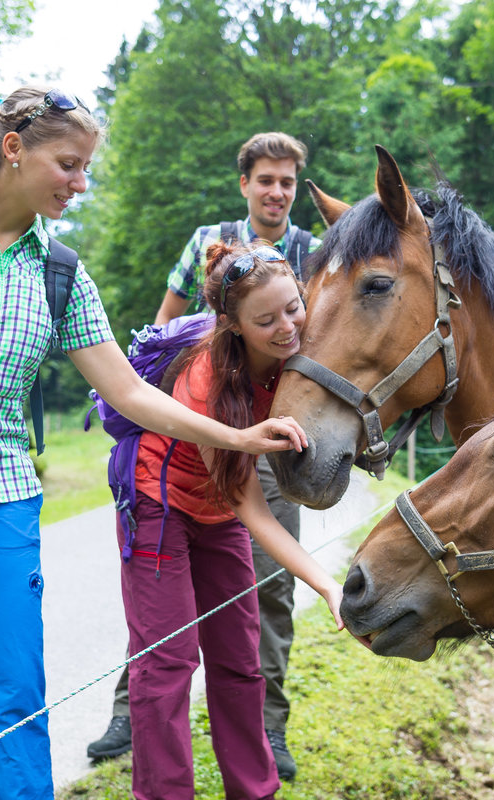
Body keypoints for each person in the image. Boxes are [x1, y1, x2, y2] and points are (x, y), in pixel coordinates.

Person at [0, 87, 307, 800]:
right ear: (13, 150)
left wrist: (236, 435)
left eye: (86, 169)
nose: (81, 183)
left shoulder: (61, 272)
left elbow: (132, 394)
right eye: (69, 165)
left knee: (14, 695)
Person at [88, 132, 320, 780]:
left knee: (253, 615)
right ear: (244, 182)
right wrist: (235, 433)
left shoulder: (311, 253)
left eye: (288, 182)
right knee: (166, 643)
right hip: (185, 457)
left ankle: (263, 747)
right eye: (266, 179)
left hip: (266, 432)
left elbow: (327, 345)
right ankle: (132, 720)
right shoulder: (207, 256)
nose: (277, 191)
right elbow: (164, 330)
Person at [119, 239, 342, 800]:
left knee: (241, 662)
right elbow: (252, 507)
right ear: (234, 325)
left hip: (216, 514)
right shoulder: (208, 378)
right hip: (160, 506)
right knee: (166, 664)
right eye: (265, 320)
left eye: (294, 307)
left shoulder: (303, 353)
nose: (288, 326)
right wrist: (327, 583)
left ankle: (255, 791)